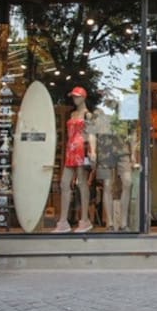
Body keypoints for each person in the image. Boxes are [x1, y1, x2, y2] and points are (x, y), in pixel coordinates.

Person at [88, 101, 135, 231]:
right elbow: (91, 132)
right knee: (107, 185)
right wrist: (93, 150)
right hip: (104, 154)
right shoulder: (98, 111)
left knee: (128, 182)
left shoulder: (127, 109)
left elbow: (132, 132)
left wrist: (133, 153)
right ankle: (109, 223)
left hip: (123, 152)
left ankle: (124, 223)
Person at [53, 86, 94, 233]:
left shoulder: (87, 115)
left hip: (81, 149)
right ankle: (63, 221)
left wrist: (93, 151)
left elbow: (91, 134)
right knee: (65, 183)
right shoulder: (72, 114)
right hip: (70, 150)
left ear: (83, 97)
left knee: (82, 183)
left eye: (77, 96)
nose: (74, 99)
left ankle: (84, 220)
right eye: (73, 96)